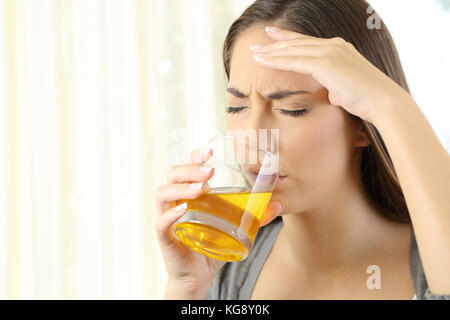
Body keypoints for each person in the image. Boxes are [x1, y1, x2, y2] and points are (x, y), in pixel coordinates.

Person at [155, 0, 450, 299]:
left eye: (291, 109)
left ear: (363, 124)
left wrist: (390, 103)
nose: (253, 136)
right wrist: (187, 290)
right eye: (237, 106)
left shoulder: (434, 263)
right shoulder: (226, 272)